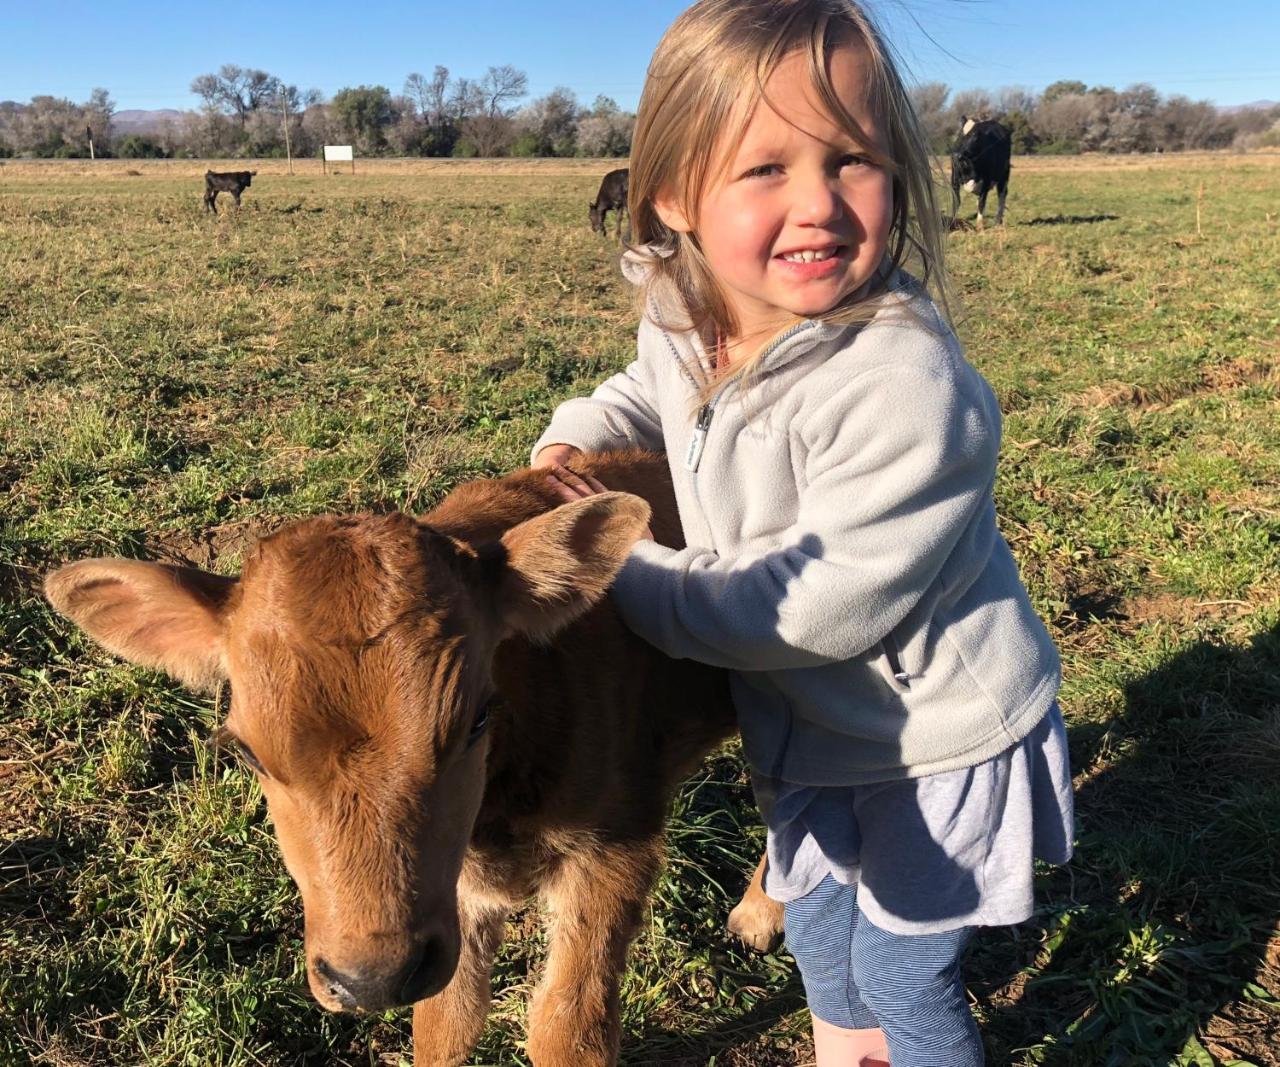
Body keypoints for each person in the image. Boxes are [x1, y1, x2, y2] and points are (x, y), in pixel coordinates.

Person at [531, 1, 1074, 1064]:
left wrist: (629, 571)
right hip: (810, 730)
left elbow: (818, 603)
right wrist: (578, 438)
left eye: (851, 159)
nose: (818, 203)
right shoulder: (693, 312)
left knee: (901, 976)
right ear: (675, 197)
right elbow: (649, 393)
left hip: (933, 741)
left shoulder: (900, 383)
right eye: (764, 168)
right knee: (822, 944)